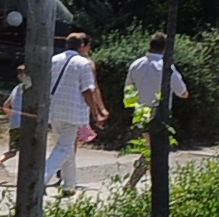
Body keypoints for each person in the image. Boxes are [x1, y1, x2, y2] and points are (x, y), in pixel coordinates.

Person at [44, 32, 108, 196]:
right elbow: (88, 90)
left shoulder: (54, 59)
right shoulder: (83, 63)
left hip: (53, 110)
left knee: (66, 148)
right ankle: (41, 179)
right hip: (73, 112)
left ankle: (69, 185)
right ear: (82, 46)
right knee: (64, 148)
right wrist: (95, 114)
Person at [123, 32, 188, 189]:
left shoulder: (136, 65)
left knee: (150, 149)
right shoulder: (166, 67)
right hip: (160, 114)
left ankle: (145, 184)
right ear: (165, 48)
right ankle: (146, 185)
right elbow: (183, 92)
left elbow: (128, 91)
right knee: (155, 151)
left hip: (140, 113)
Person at [0, 64, 26, 182]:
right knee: (29, 150)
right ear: (21, 76)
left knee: (13, 151)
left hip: (14, 125)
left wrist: (12, 117)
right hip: (25, 125)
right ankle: (24, 176)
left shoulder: (15, 89)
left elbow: (5, 106)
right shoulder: (28, 90)